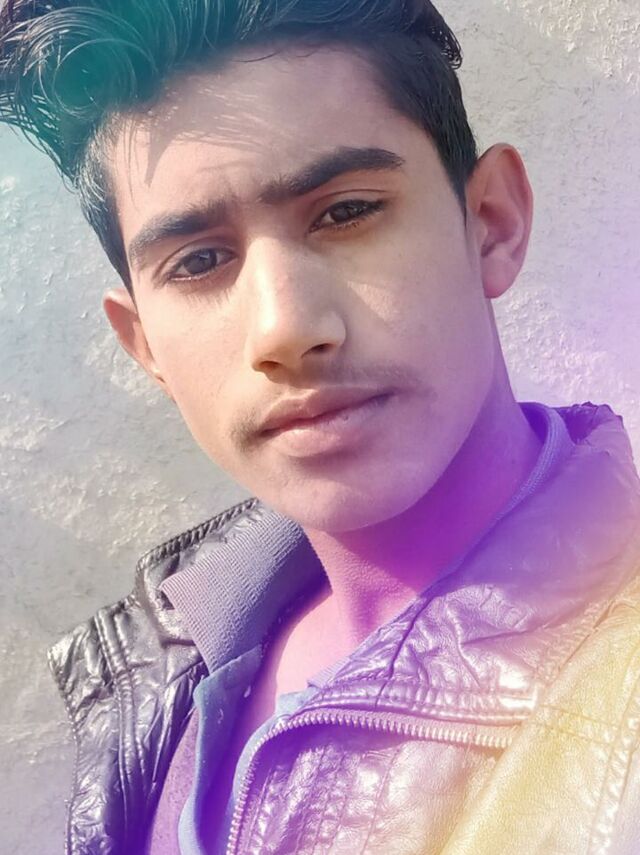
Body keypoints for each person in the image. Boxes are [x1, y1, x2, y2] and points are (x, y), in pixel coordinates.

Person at [2, 0, 639, 853]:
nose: (285, 328)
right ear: (144, 343)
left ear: (491, 223)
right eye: (199, 261)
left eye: (345, 212)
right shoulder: (167, 658)